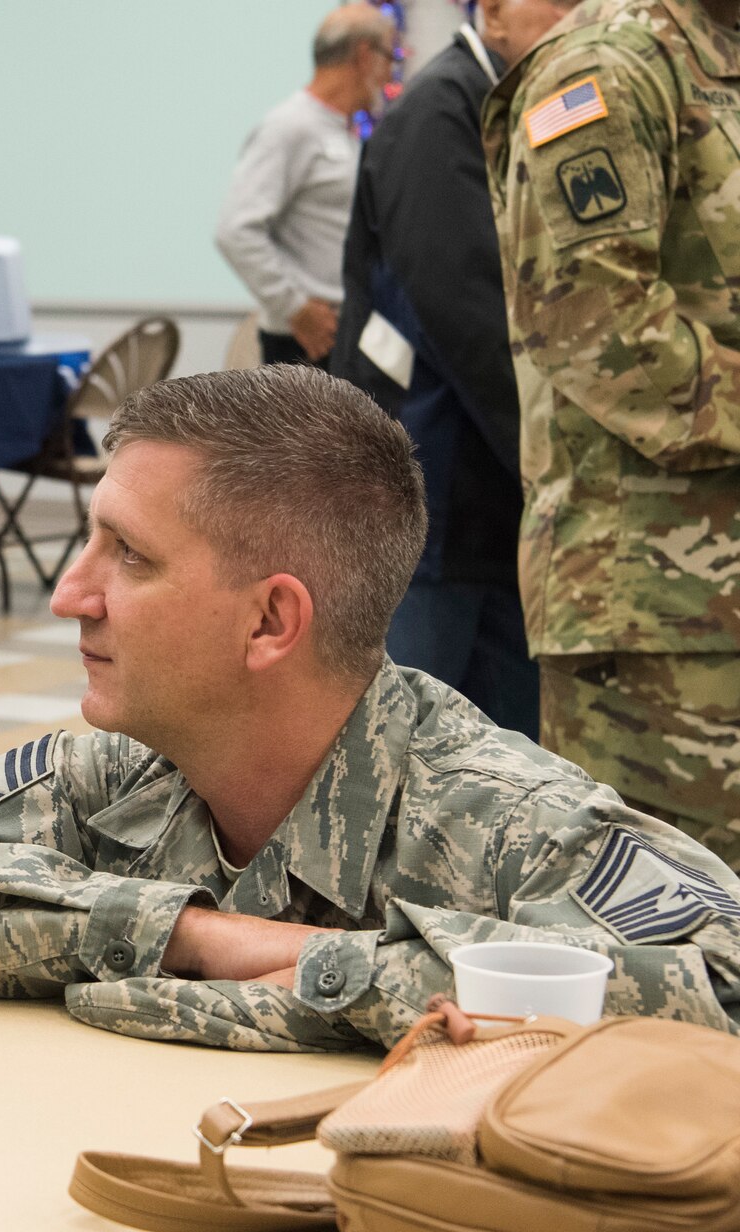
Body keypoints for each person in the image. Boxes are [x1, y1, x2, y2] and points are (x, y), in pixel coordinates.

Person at [0, 366, 740, 1054]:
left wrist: (339, 973)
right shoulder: (122, 775)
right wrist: (192, 935)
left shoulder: (501, 818)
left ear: (272, 621)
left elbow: (724, 990)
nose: (72, 595)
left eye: (131, 556)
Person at [483, 0, 740, 873]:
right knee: (670, 935)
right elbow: (595, 324)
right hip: (655, 608)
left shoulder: (719, 58)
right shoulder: (605, 66)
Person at [330, 0, 577, 740]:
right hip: (427, 493)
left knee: (504, 759)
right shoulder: (442, 108)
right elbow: (469, 307)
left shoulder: (526, 103)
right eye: (558, 3)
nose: (577, 18)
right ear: (494, 13)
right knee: (405, 746)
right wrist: (553, 458)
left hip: (493, 496)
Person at [216, 6, 396, 366]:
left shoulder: (340, 129)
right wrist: (295, 308)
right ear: (364, 56)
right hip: (308, 341)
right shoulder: (289, 128)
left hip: (344, 333)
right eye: (391, 56)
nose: (391, 72)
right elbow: (235, 231)